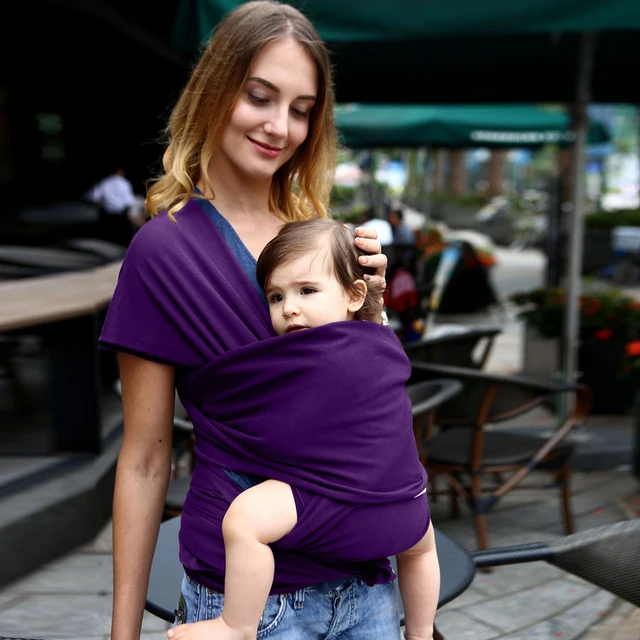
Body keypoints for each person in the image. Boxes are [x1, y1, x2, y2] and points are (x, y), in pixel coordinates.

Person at [97, 2, 413, 639]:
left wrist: (371, 314)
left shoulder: (319, 238)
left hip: (367, 586)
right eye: (259, 97)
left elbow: (367, 411)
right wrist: (122, 634)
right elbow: (145, 459)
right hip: (249, 604)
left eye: (301, 109)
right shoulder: (164, 251)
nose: (279, 126)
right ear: (214, 91)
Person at [167, 219, 439, 640]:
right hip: (403, 503)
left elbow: (273, 426)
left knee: (244, 520)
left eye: (307, 291)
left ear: (354, 294)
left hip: (332, 501)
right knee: (422, 550)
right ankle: (420, 632)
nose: (289, 308)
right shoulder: (384, 342)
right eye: (276, 297)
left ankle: (237, 624)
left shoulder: (306, 353)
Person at [84, 165, 139, 245]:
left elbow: (93, 197)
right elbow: (129, 201)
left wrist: (102, 206)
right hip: (121, 213)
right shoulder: (124, 183)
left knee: (107, 236)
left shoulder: (104, 182)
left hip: (107, 213)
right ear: (122, 172)